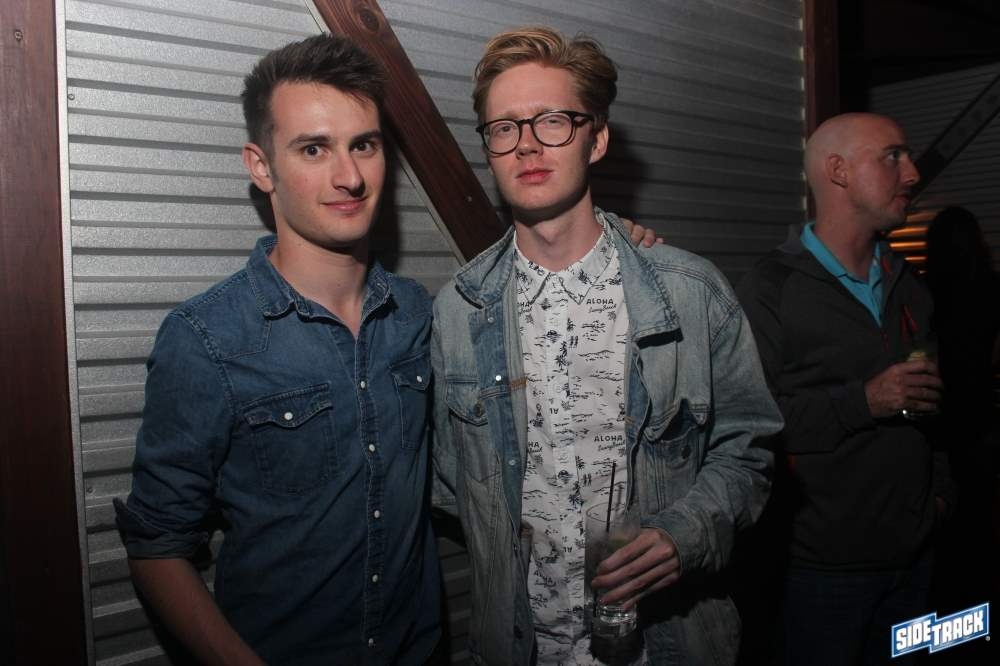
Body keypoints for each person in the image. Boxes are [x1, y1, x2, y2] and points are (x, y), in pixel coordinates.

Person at [431, 26, 783, 665]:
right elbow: (454, 488)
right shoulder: (458, 312)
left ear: (596, 139)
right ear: (488, 149)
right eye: (504, 127)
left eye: (553, 121)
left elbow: (749, 450)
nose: (527, 144)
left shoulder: (691, 294)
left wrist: (683, 535)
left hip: (664, 648)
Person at [114, 34, 442, 665]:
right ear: (261, 166)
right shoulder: (207, 338)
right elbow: (157, 546)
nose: (349, 177)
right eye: (313, 149)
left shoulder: (417, 315)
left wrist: (621, 243)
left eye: (364, 145)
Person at [736, 112, 955, 666]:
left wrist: (940, 497)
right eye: (892, 156)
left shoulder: (908, 283)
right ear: (838, 171)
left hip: (916, 557)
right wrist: (864, 401)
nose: (912, 173)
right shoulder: (772, 287)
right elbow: (750, 427)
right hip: (821, 571)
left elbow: (933, 411)